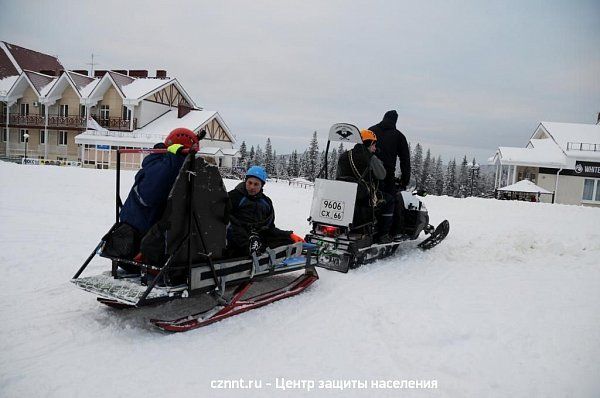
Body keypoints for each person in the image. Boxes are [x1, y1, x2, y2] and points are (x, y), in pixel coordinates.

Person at [102, 127, 199, 269]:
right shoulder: (165, 168)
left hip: (135, 241)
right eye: (189, 156)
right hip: (137, 247)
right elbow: (150, 196)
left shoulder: (161, 164)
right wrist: (176, 160)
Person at [227, 165, 304, 257]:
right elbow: (225, 220)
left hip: (259, 237)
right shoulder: (234, 196)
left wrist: (288, 235)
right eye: (250, 183)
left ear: (262, 185)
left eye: (256, 184)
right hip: (236, 236)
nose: (252, 187)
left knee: (287, 241)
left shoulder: (266, 202)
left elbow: (270, 227)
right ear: (245, 181)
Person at [336, 129, 394, 243]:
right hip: (364, 196)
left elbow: (338, 175)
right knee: (390, 200)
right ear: (369, 143)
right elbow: (382, 175)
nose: (375, 148)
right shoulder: (370, 157)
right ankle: (383, 235)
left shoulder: (344, 155)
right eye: (374, 145)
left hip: (344, 195)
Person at [368, 110, 411, 194]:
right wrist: (404, 181)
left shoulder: (371, 131)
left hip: (368, 173)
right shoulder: (399, 136)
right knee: (390, 201)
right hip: (387, 176)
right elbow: (405, 160)